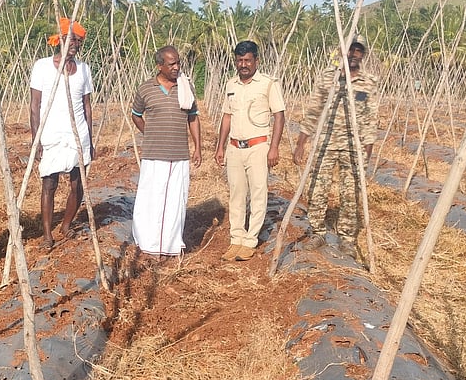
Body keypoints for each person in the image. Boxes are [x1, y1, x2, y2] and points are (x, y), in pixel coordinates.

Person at [292, 36, 379, 257]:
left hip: (353, 147)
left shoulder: (368, 82)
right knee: (317, 189)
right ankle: (317, 232)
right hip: (326, 143)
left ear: (363, 54)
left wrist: (367, 150)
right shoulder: (328, 77)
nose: (354, 54)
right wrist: (301, 142)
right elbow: (314, 110)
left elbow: (371, 118)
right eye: (350, 49)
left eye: (358, 50)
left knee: (350, 194)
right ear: (342, 50)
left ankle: (347, 238)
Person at [214, 40, 286, 262]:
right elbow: (227, 116)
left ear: (256, 60)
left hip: (258, 147)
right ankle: (236, 239)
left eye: (247, 60)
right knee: (236, 194)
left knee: (257, 194)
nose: (243, 64)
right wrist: (220, 146)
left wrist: (274, 147)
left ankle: (250, 240)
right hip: (235, 147)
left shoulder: (268, 84)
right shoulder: (231, 85)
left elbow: (279, 116)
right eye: (239, 60)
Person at [131, 45, 203, 258]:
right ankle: (147, 243)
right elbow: (136, 115)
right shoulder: (146, 89)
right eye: (171, 64)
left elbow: (193, 118)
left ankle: (171, 245)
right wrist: (150, 133)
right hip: (153, 154)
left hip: (179, 154)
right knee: (151, 198)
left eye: (178, 62)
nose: (176, 67)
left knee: (175, 201)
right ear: (159, 66)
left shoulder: (186, 86)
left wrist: (198, 147)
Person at [30, 18, 95, 250]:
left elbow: (87, 106)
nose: (75, 44)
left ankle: (66, 225)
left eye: (78, 41)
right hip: (51, 134)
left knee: (78, 185)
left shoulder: (84, 69)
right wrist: (36, 139)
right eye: (71, 40)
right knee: (49, 184)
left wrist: (90, 140)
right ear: (60, 40)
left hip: (78, 135)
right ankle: (47, 235)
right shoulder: (42, 66)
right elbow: (34, 106)